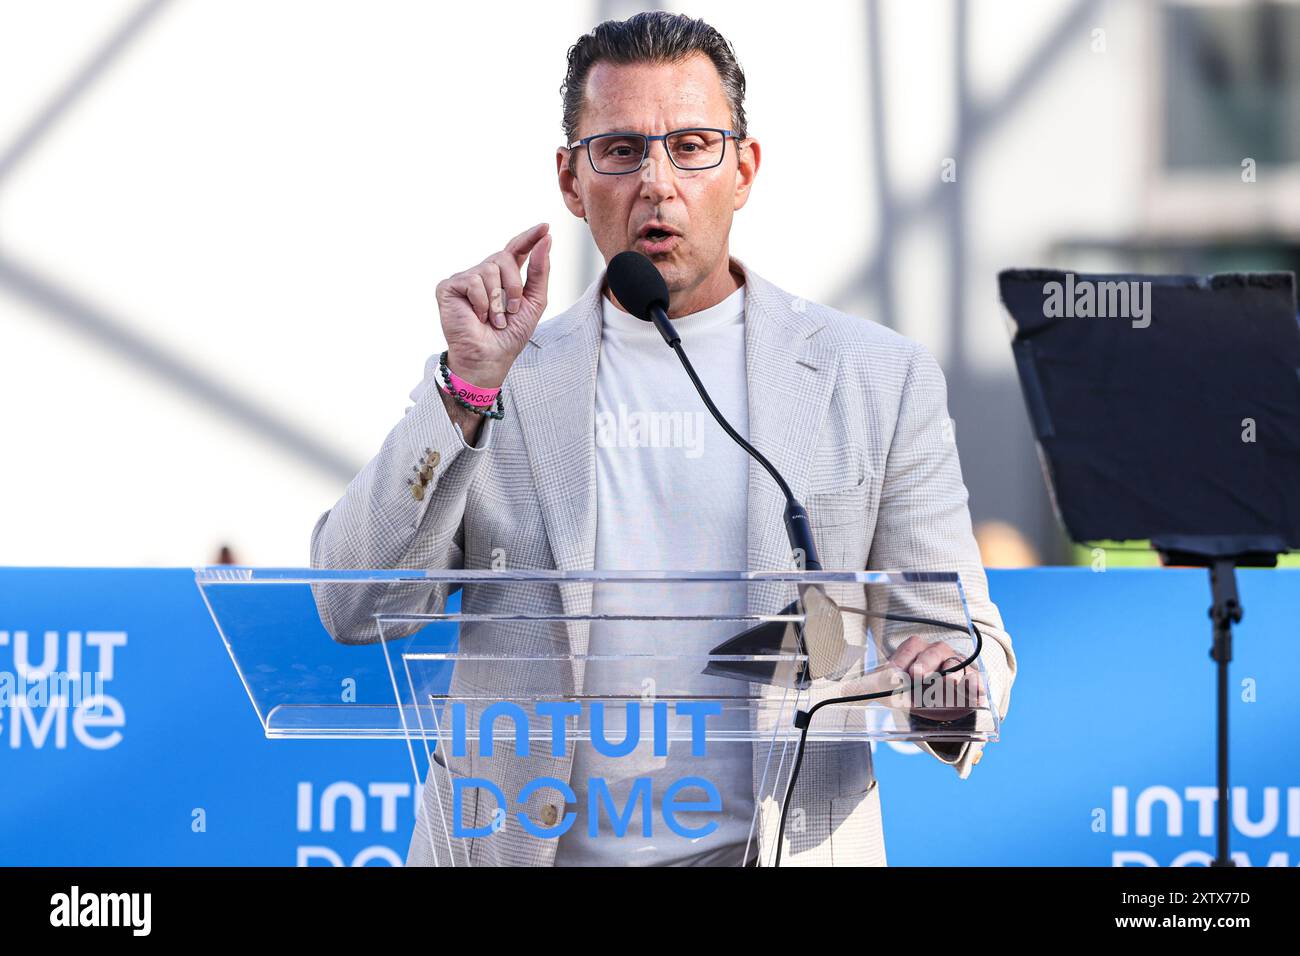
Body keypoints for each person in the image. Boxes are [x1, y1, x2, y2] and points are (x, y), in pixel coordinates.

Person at [310, 11, 1016, 867]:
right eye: (620, 151)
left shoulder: (876, 378)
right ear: (571, 183)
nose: (657, 182)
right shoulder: (498, 376)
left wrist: (942, 681)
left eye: (691, 145)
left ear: (744, 169)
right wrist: (465, 393)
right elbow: (352, 602)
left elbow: (963, 635)